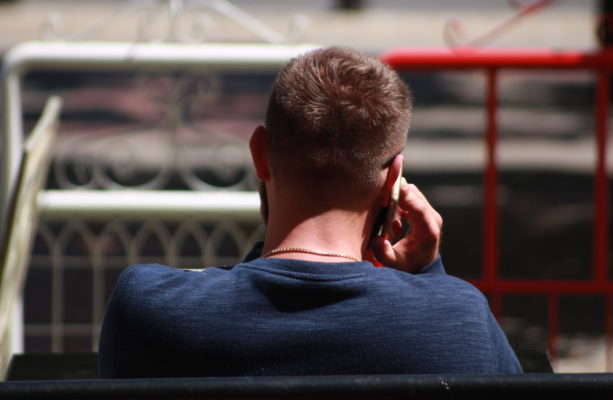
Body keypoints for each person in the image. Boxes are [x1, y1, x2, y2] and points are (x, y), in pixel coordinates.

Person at [98, 46, 522, 378]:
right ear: (394, 178)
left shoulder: (149, 306)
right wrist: (427, 281)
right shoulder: (458, 319)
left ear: (259, 154)